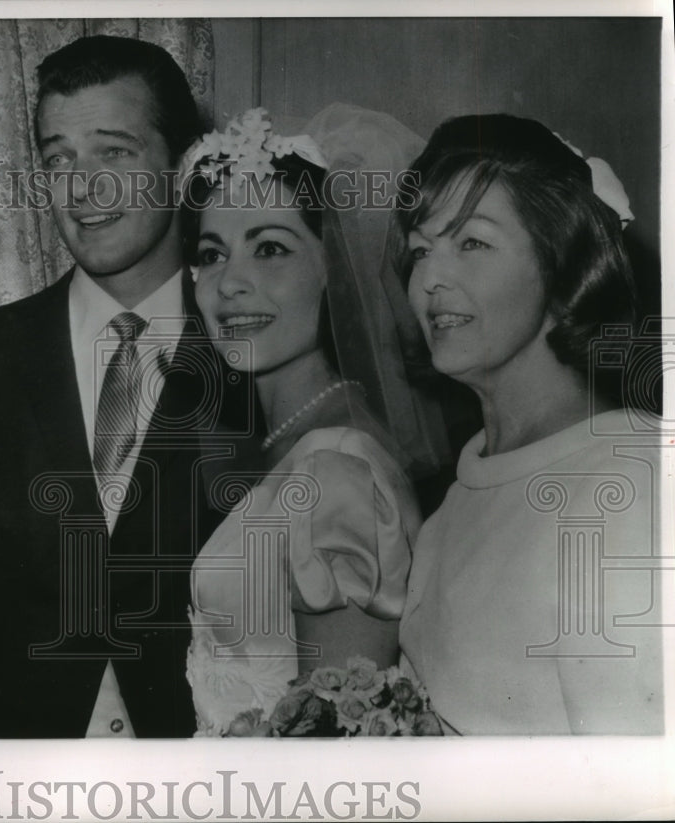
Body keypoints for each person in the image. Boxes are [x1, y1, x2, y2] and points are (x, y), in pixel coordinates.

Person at [0, 35, 251, 738]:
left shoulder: (255, 356)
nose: (82, 188)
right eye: (58, 159)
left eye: (115, 151)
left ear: (182, 163)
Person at [182, 105, 450, 736]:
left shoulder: (335, 474)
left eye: (270, 248)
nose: (230, 283)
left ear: (335, 266)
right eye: (212, 254)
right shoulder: (294, 444)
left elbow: (336, 742)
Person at [397, 114, 663, 734]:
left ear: (564, 269)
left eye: (473, 243)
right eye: (419, 251)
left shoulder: (632, 488)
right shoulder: (450, 508)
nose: (430, 279)